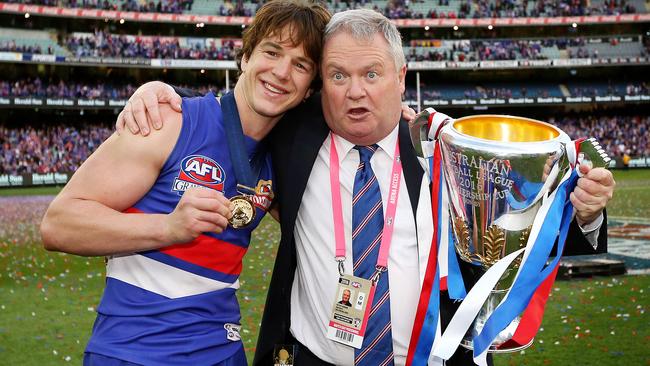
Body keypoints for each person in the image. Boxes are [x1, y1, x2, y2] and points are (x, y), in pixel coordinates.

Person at [117, 9, 615, 366]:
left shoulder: (447, 154)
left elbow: (520, 238)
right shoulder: (292, 140)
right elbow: (237, 108)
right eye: (339, 75)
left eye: (371, 74)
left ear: (401, 78)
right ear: (321, 86)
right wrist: (160, 94)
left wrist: (587, 211)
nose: (355, 91)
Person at [39, 1, 331, 365]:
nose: (281, 72)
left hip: (223, 352)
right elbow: (58, 224)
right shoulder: (168, 122)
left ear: (308, 89)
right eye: (272, 52)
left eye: (300, 65)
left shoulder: (282, 161)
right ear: (246, 57)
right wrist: (167, 227)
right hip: (134, 353)